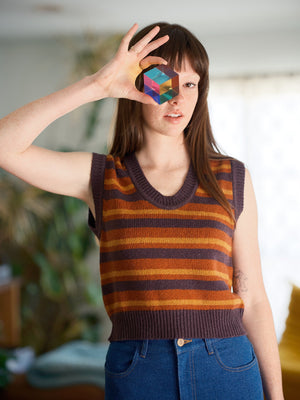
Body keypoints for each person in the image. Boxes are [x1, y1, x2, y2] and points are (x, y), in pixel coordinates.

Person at [0, 22, 284, 400]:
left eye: (190, 84)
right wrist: (98, 85)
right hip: (139, 370)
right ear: (138, 85)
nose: (178, 99)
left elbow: (254, 298)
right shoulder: (101, 178)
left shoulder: (231, 177)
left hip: (227, 365)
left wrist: (277, 395)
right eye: (164, 82)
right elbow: (6, 147)